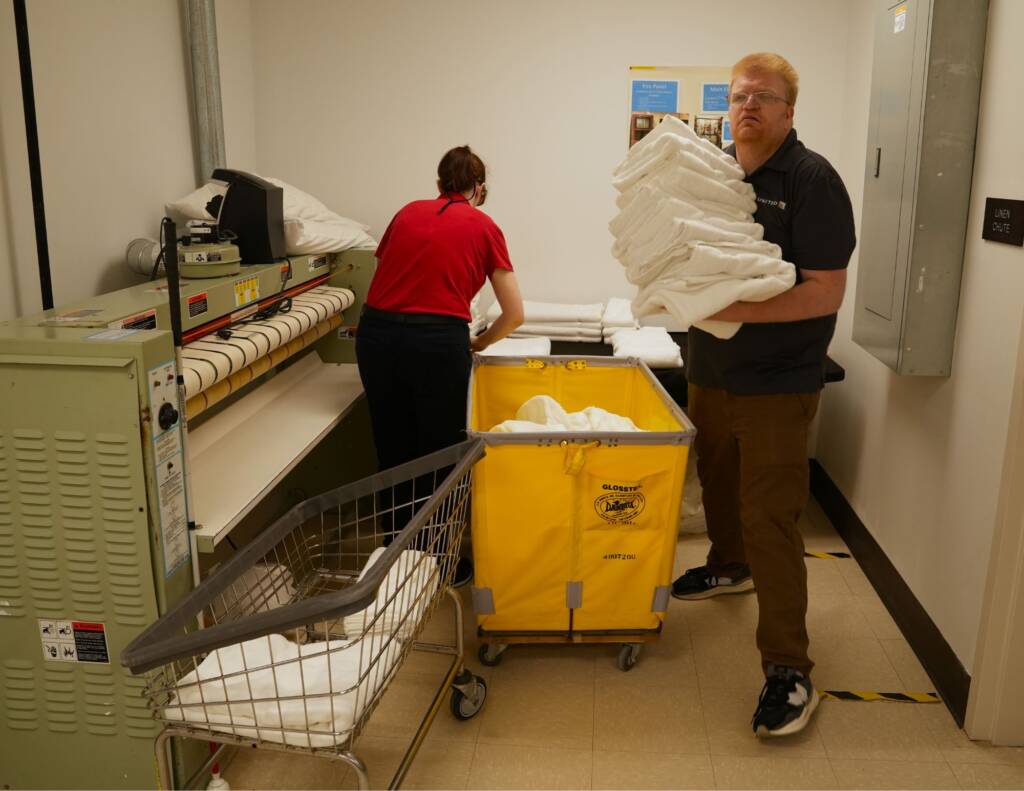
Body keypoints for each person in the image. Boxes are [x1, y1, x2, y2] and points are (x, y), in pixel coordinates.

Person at [672, 53, 856, 737]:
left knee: (771, 516)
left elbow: (825, 290)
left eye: (764, 97)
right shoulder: (716, 173)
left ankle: (788, 666)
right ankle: (727, 566)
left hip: (778, 382)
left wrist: (735, 307)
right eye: (739, 96)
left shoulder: (811, 181)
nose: (748, 107)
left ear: (788, 110)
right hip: (711, 369)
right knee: (717, 482)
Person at [356, 145, 524, 587]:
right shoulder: (484, 225)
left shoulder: (407, 213)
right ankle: (439, 563)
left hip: (376, 336)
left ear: (438, 185)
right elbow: (514, 314)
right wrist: (478, 343)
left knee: (393, 447)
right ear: (480, 189)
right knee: (439, 453)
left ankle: (394, 559)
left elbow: (391, 276)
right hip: (436, 341)